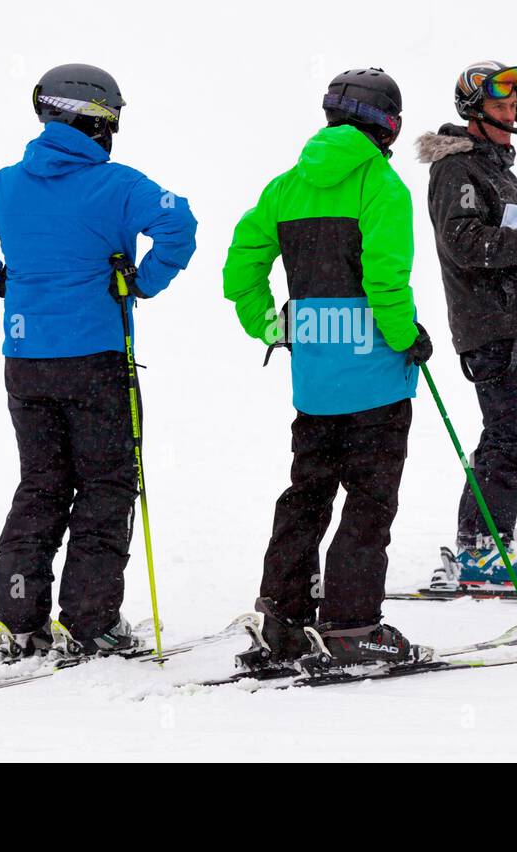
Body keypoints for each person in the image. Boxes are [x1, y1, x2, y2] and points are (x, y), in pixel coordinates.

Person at [0, 63, 197, 663]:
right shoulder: (119, 186)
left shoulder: (5, 186)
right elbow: (179, 223)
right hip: (97, 360)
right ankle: (91, 622)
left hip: (25, 361)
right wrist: (144, 283)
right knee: (105, 486)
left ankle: (20, 624)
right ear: (96, 120)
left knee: (41, 484)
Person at [222, 67, 433, 670]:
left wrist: (272, 325)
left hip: (314, 384)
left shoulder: (285, 187)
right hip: (375, 383)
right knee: (369, 502)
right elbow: (385, 279)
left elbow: (241, 268)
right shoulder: (381, 186)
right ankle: (352, 625)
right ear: (388, 125)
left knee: (306, 496)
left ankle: (283, 614)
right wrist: (407, 337)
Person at [415, 60, 517, 590]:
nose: (510, 114)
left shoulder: (501, 172)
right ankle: (481, 548)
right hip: (494, 326)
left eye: (513, 106)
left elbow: (499, 240)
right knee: (510, 435)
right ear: (472, 109)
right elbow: (462, 242)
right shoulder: (458, 169)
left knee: (515, 435)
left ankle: (491, 539)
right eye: (499, 106)